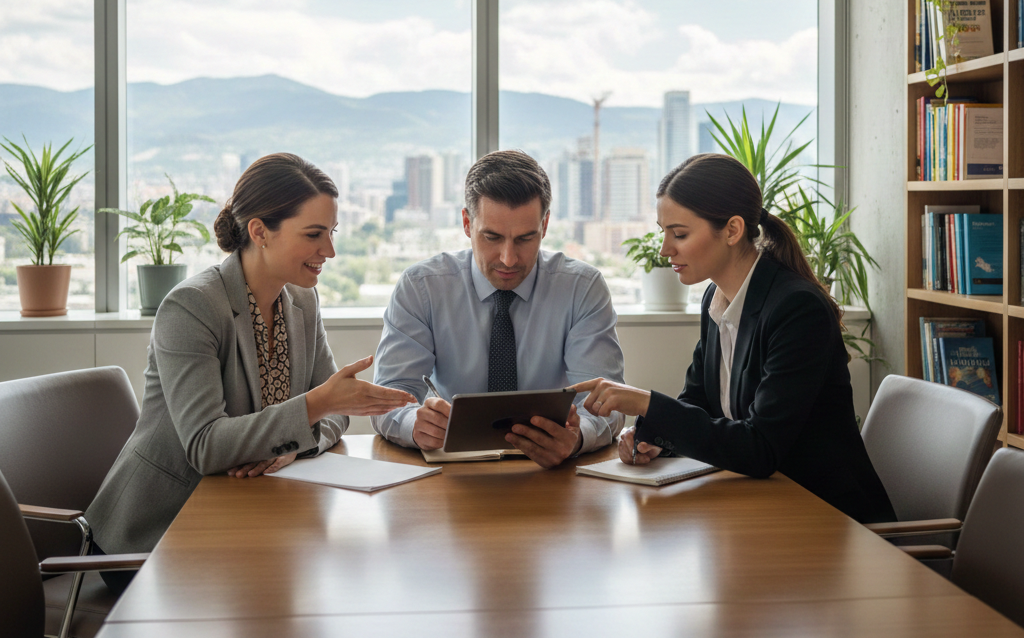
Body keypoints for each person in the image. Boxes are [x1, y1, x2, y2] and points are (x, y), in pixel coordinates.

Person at [86, 153, 416, 577]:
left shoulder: (301, 300)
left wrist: (290, 445)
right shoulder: (192, 307)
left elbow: (334, 418)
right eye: (314, 234)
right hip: (155, 540)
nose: (330, 250)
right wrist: (317, 407)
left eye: (332, 233)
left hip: (243, 518)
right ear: (260, 231)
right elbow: (206, 446)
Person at [574, 153, 896, 524]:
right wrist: (653, 438)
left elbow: (760, 447)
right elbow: (699, 403)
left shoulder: (797, 309)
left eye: (679, 234)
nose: (665, 249)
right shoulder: (717, 299)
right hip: (763, 509)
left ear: (732, 230)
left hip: (827, 520)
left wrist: (647, 404)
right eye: (663, 232)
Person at [371, 149, 625, 468]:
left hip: (551, 475)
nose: (508, 258)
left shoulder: (582, 288)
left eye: (525, 238)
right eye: (491, 237)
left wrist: (577, 437)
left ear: (544, 226)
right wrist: (414, 424)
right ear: (466, 223)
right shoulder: (422, 287)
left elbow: (606, 403)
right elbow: (390, 397)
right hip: (452, 473)